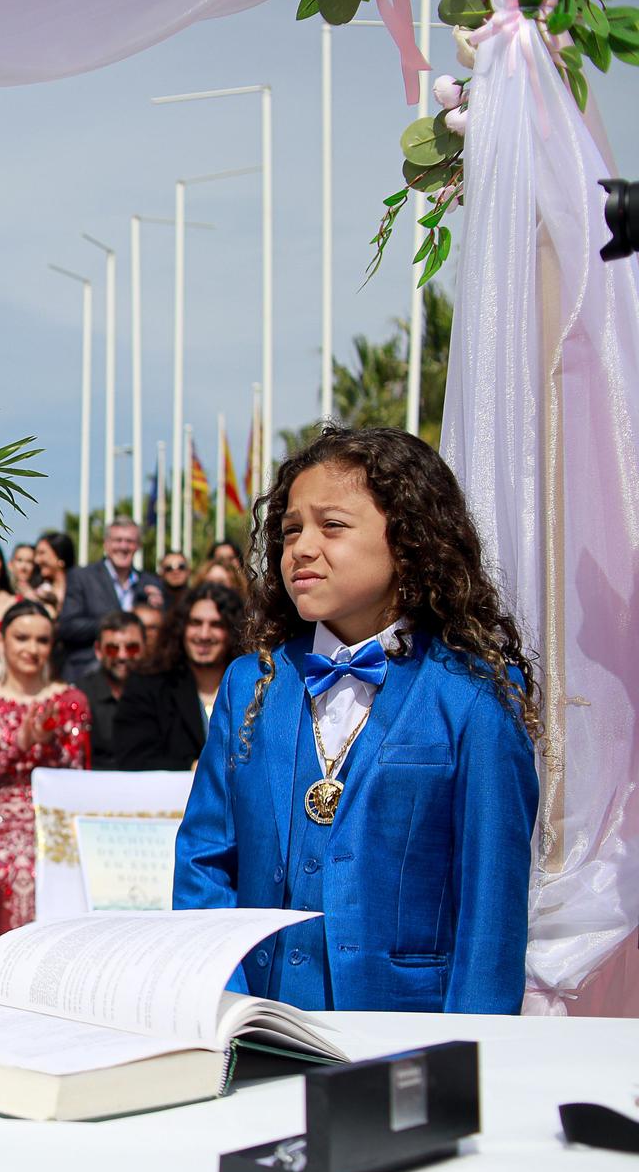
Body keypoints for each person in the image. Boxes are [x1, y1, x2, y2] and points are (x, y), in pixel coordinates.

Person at [175, 427, 538, 1014]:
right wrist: (225, 1005)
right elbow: (204, 862)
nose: (302, 548)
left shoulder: (473, 694)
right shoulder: (249, 682)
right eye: (291, 529)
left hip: (407, 1036)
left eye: (333, 526)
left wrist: (472, 1056)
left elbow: (491, 910)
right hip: (257, 1021)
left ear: (410, 541)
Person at [0, 600, 91, 938]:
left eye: (42, 640)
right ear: (1, 641)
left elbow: (79, 777)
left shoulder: (70, 700)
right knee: (12, 870)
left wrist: (46, 743)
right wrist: (18, 747)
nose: (32, 648)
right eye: (22, 638)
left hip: (54, 819)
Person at [118, 583, 245, 771]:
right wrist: (194, 767)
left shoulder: (252, 687)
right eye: (195, 623)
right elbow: (134, 758)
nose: (204, 635)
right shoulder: (147, 685)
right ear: (181, 628)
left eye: (216, 625)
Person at [55, 517, 164, 683]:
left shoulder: (151, 583)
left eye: (129, 541)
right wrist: (119, 619)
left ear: (138, 546)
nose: (123, 546)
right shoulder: (81, 577)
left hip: (139, 675)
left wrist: (158, 610)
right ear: (106, 544)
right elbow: (68, 626)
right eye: (117, 540)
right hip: (89, 673)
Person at [76, 610, 144, 769]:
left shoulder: (160, 692)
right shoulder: (81, 694)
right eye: (112, 649)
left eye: (132, 648)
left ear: (144, 648)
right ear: (98, 651)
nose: (122, 656)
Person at [29, 531, 72, 621]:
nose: (36, 560)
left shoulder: (80, 589)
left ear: (60, 555)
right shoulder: (37, 592)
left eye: (42, 553)